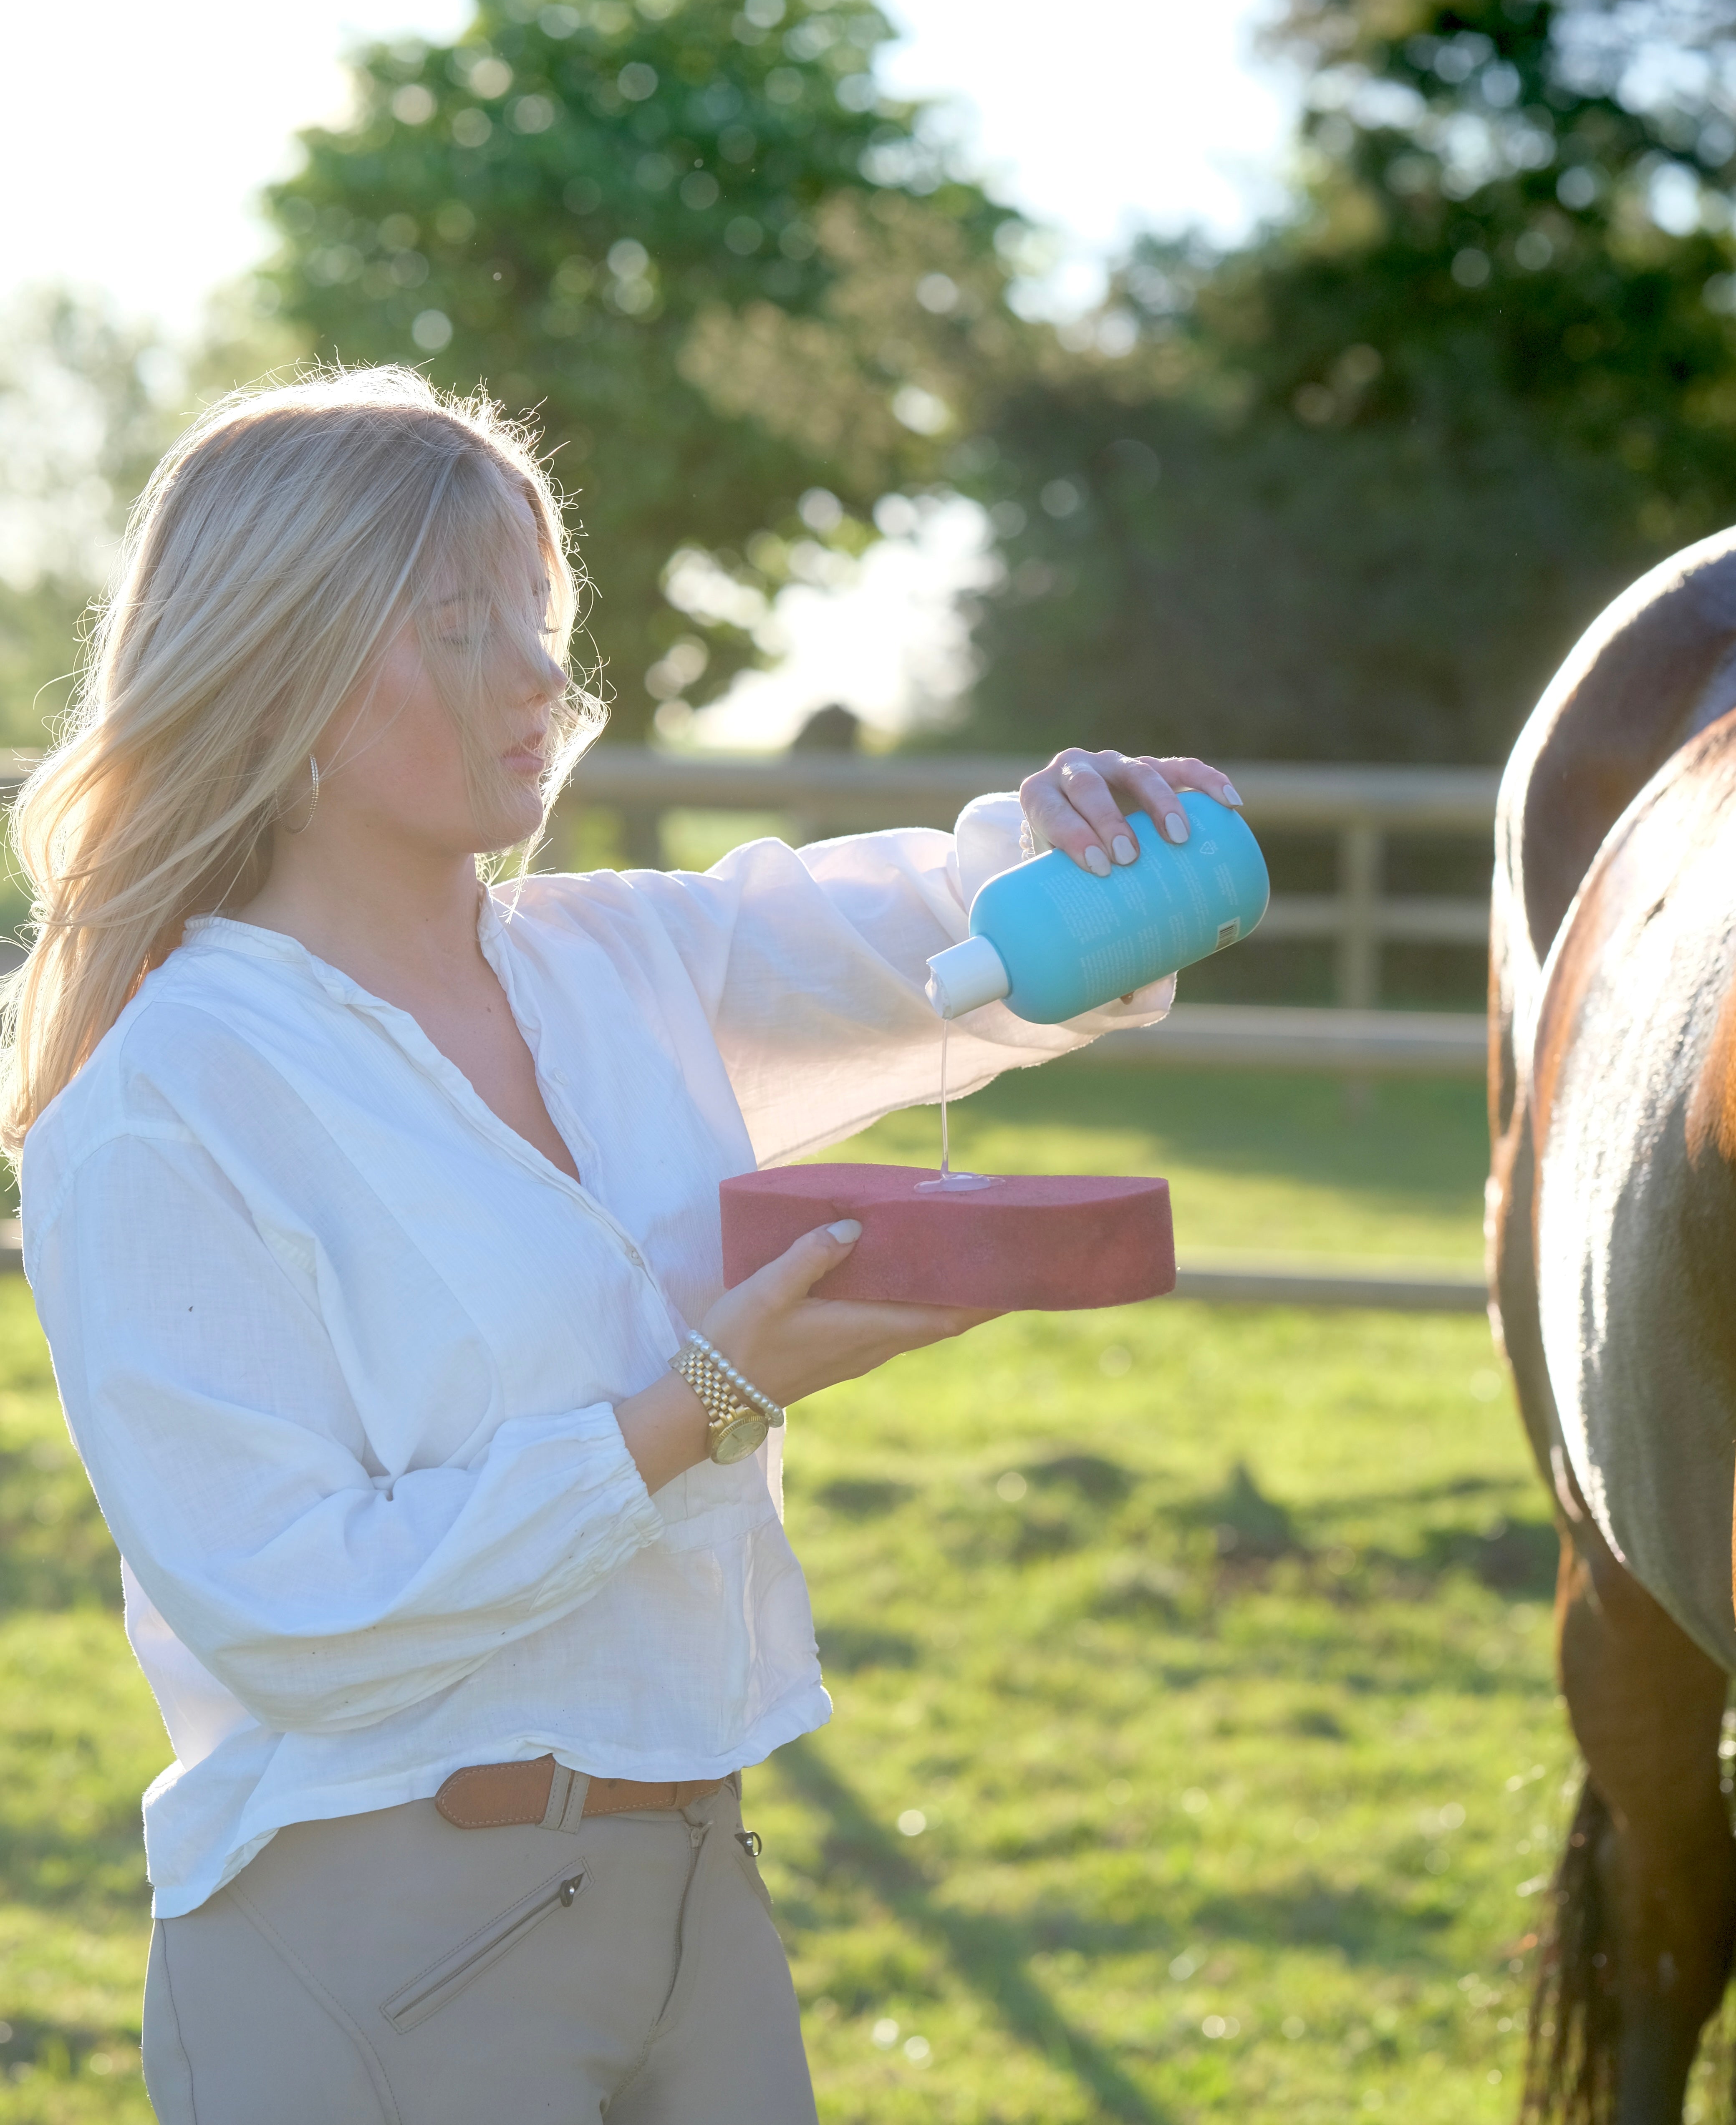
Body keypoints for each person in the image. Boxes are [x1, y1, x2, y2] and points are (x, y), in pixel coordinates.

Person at [6, 367, 1240, 2125]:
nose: (536, 677)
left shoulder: (619, 968)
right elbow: (293, 1609)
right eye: (456, 625)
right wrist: (704, 1405)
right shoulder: (163, 1100)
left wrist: (1081, 841)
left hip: (696, 1896)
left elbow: (936, 944)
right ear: (276, 665)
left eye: (537, 612)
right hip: (372, 1950)